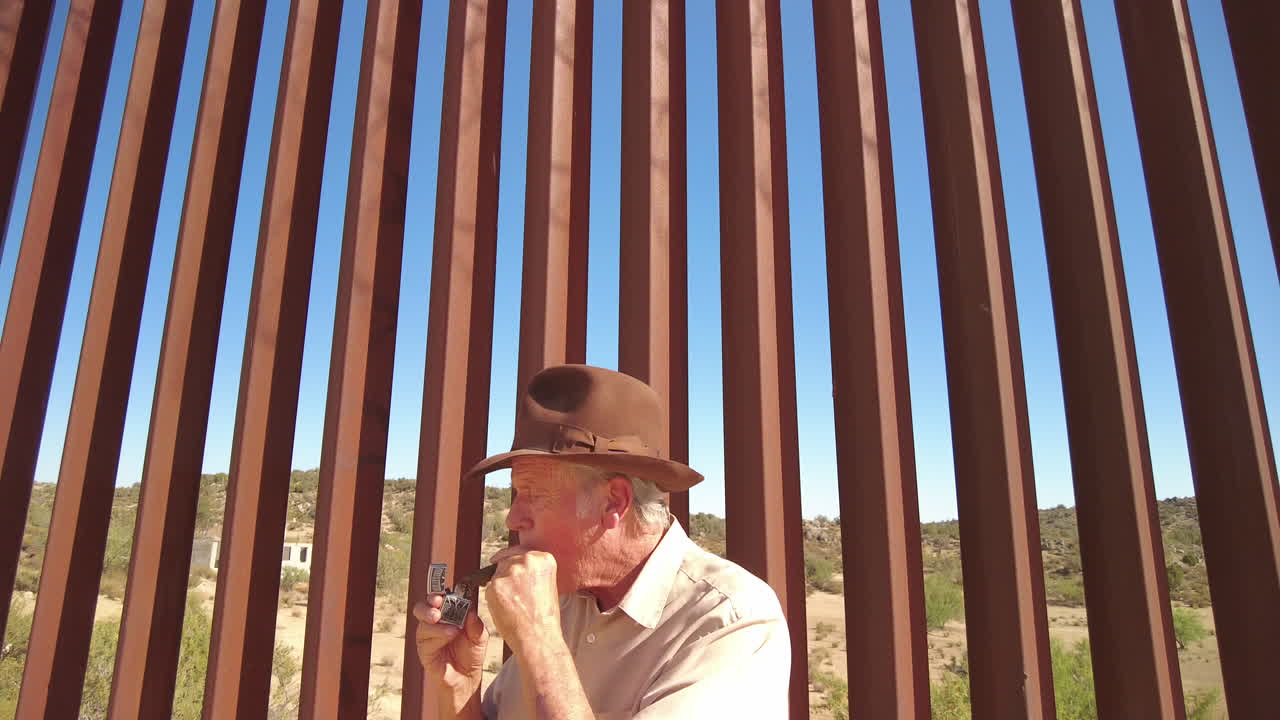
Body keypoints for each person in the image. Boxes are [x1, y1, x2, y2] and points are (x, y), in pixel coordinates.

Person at [413, 364, 790, 719]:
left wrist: (540, 643)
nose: (514, 518)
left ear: (614, 501)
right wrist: (460, 692)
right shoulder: (562, 601)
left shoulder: (729, 620)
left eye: (534, 494)